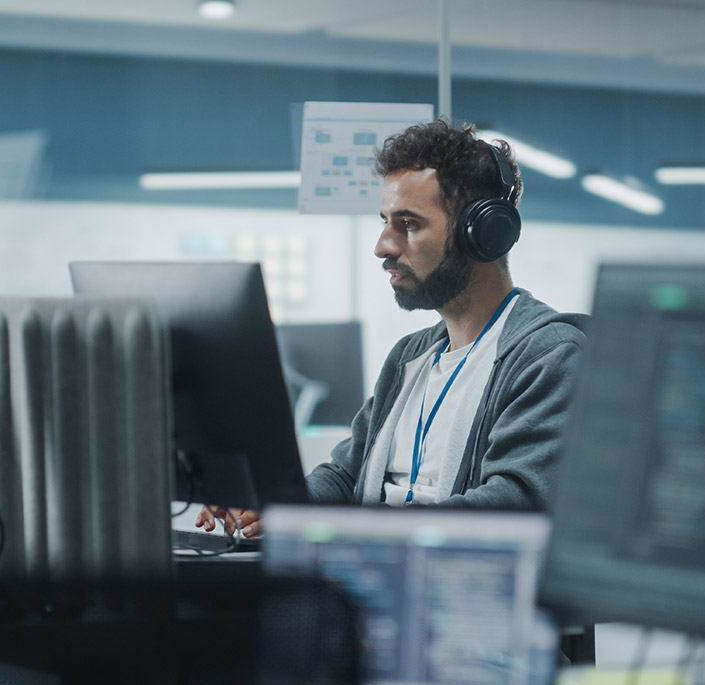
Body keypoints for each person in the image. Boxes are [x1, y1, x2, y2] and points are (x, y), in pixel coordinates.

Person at [199, 119, 586, 538]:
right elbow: (346, 476)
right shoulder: (409, 357)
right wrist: (276, 502)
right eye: (385, 221)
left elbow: (514, 503)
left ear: (483, 234)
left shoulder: (549, 355)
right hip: (373, 572)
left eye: (409, 224)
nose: (382, 245)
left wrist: (350, 529)